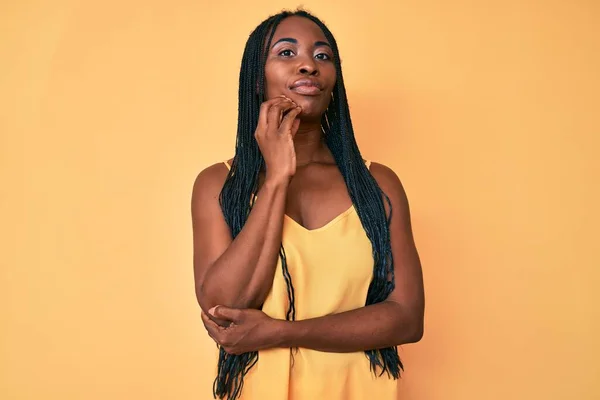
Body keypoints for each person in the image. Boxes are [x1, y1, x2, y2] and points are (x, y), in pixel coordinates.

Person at [191, 9, 425, 400]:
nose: (308, 65)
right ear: (256, 79)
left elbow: (406, 318)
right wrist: (278, 176)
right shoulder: (218, 184)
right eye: (286, 53)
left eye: (322, 56)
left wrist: (283, 331)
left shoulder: (377, 184)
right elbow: (224, 308)